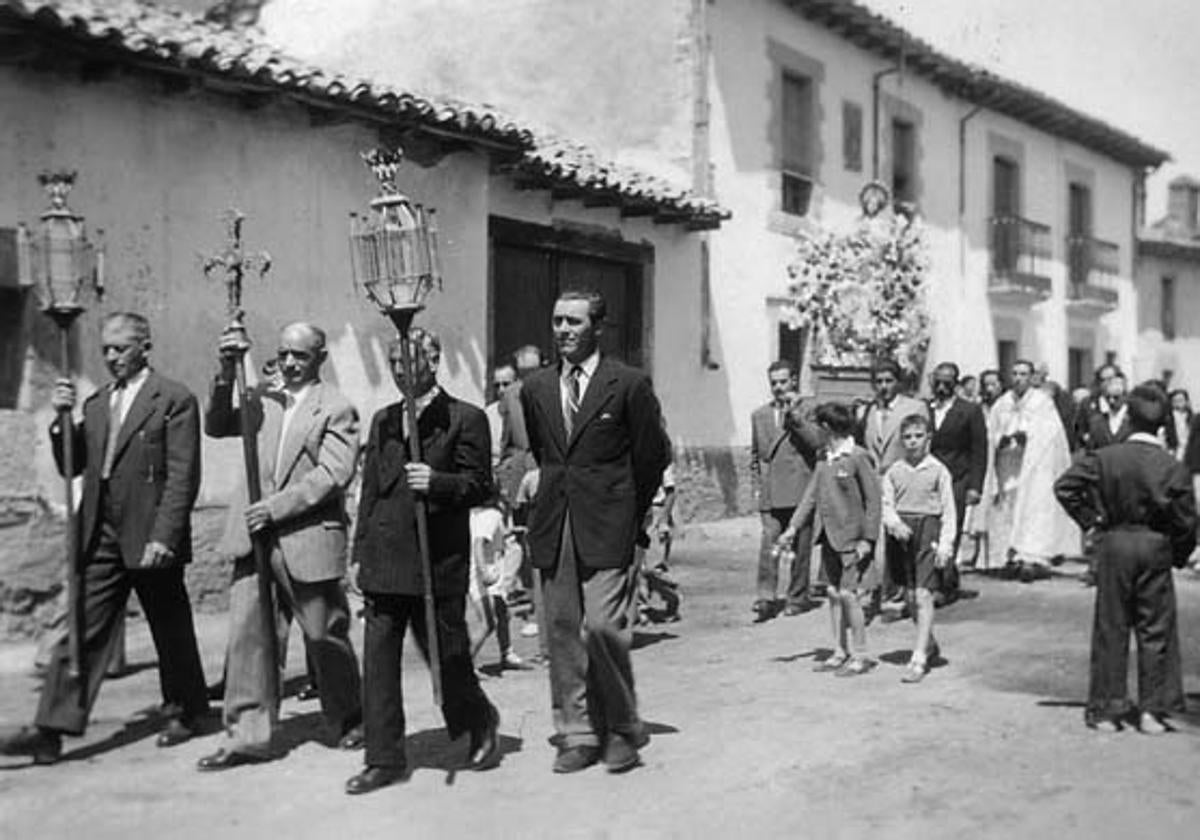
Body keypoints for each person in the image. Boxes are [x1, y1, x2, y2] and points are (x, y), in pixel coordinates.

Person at [0, 312, 208, 765]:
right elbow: (72, 465)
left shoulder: (173, 398)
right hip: (102, 531)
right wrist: (59, 421)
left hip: (151, 532)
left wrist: (165, 536)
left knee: (168, 627)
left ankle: (184, 709)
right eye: (106, 350)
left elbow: (183, 475)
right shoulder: (95, 404)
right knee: (81, 628)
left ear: (144, 346)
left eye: (121, 348)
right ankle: (49, 728)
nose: (111, 357)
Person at [197, 322, 363, 771]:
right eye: (284, 354)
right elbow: (217, 425)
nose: (289, 363)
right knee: (249, 636)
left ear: (320, 360)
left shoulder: (337, 408)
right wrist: (226, 370)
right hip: (253, 534)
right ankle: (247, 735)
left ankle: (350, 715)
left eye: (301, 356)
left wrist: (276, 507)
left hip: (304, 534)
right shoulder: (261, 400)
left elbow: (332, 475)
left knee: (322, 633)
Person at [520, 288, 670, 774]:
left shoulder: (627, 383)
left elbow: (652, 456)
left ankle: (623, 727)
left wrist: (633, 514)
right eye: (557, 321)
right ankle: (578, 731)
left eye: (574, 322)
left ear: (597, 328)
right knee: (562, 630)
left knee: (604, 628)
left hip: (610, 523)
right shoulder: (537, 388)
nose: (563, 330)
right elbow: (545, 454)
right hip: (555, 523)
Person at [346, 328, 501, 794]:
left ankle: (478, 719)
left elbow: (479, 485)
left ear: (434, 361)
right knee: (378, 662)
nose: (399, 370)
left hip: (437, 561)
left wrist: (437, 482)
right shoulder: (383, 420)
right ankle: (384, 758)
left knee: (448, 659)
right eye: (392, 362)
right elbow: (370, 489)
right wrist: (359, 554)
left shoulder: (464, 417)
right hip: (384, 558)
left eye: (408, 361)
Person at [1053, 384, 1196, 733]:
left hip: (1114, 543)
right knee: (1156, 630)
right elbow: (1188, 520)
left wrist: (1092, 522)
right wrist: (1176, 553)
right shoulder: (1171, 467)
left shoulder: (1106, 458)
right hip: (1155, 545)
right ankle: (1151, 710)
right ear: (1162, 424)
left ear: (1129, 419)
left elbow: (1065, 486)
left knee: (1111, 626)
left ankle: (1107, 710)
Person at [779, 402, 881, 678]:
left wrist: (868, 540)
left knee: (850, 595)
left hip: (853, 540)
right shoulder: (823, 458)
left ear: (826, 428)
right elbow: (810, 496)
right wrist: (792, 528)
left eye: (816, 425)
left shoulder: (858, 456)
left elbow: (874, 501)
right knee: (834, 594)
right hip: (829, 538)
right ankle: (840, 651)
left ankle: (861, 655)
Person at [985, 359, 1079, 579]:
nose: (1018, 378)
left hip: (1035, 464)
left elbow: (1051, 434)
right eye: (1015, 373)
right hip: (1008, 465)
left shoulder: (1042, 402)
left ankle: (1031, 557)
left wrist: (1028, 437)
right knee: (1008, 507)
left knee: (1032, 509)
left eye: (1023, 374)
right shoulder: (1002, 403)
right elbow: (992, 431)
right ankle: (1009, 555)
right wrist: (1002, 439)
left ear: (1031, 377)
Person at [882, 414, 957, 683]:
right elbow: (886, 503)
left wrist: (945, 544)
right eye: (908, 437)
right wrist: (894, 523)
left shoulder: (938, 470)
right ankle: (930, 642)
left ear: (928, 438)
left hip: (928, 531)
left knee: (924, 594)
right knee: (911, 597)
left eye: (918, 436)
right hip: (901, 533)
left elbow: (949, 510)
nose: (912, 442)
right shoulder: (894, 471)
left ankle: (918, 658)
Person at [749, 360, 822, 621]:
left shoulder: (810, 409)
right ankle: (765, 597)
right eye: (774, 383)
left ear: (793, 381)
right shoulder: (760, 415)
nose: (778, 388)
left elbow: (816, 443)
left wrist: (796, 418)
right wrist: (758, 489)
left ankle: (798, 596)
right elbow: (757, 457)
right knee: (769, 544)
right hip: (771, 492)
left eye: (783, 381)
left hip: (800, 489)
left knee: (801, 548)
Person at [861, 359, 929, 612]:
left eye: (889, 381)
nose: (883, 386)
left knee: (901, 539)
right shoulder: (869, 411)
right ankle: (877, 592)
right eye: (878, 382)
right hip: (875, 484)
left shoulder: (915, 407)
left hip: (904, 482)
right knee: (875, 539)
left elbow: (922, 447)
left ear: (898, 382)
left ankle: (902, 593)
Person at [928, 362, 986, 602]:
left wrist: (975, 486)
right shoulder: (925, 408)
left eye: (947, 382)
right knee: (930, 528)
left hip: (957, 479)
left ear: (956, 383)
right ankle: (937, 580)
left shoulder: (969, 411)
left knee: (951, 528)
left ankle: (945, 585)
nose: (942, 387)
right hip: (929, 478)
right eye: (938, 382)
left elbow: (979, 450)